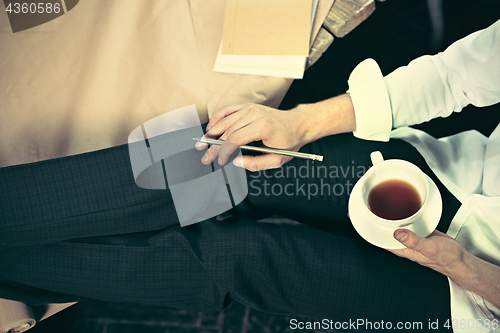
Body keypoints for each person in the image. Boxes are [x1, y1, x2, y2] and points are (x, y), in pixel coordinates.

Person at [0, 20, 498, 333]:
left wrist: (470, 270)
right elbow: (460, 74)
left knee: (239, 262)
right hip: (447, 176)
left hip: (466, 309)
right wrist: (299, 122)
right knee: (224, 157)